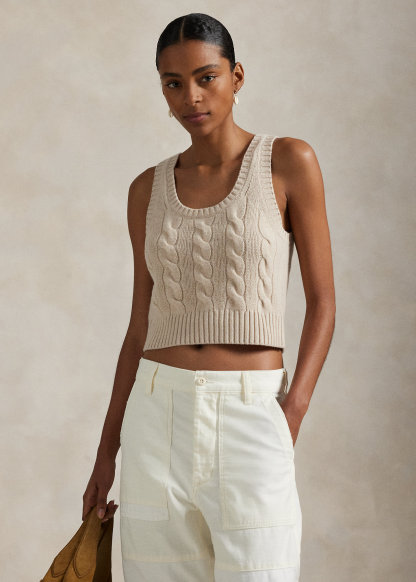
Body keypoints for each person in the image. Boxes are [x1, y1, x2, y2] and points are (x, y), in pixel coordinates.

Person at [82, 12, 335, 582]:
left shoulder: (288, 161)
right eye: (173, 83)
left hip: (252, 415)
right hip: (156, 420)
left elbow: (323, 301)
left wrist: (291, 412)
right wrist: (106, 452)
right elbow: (139, 326)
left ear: (236, 76)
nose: (190, 97)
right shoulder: (146, 190)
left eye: (206, 78)